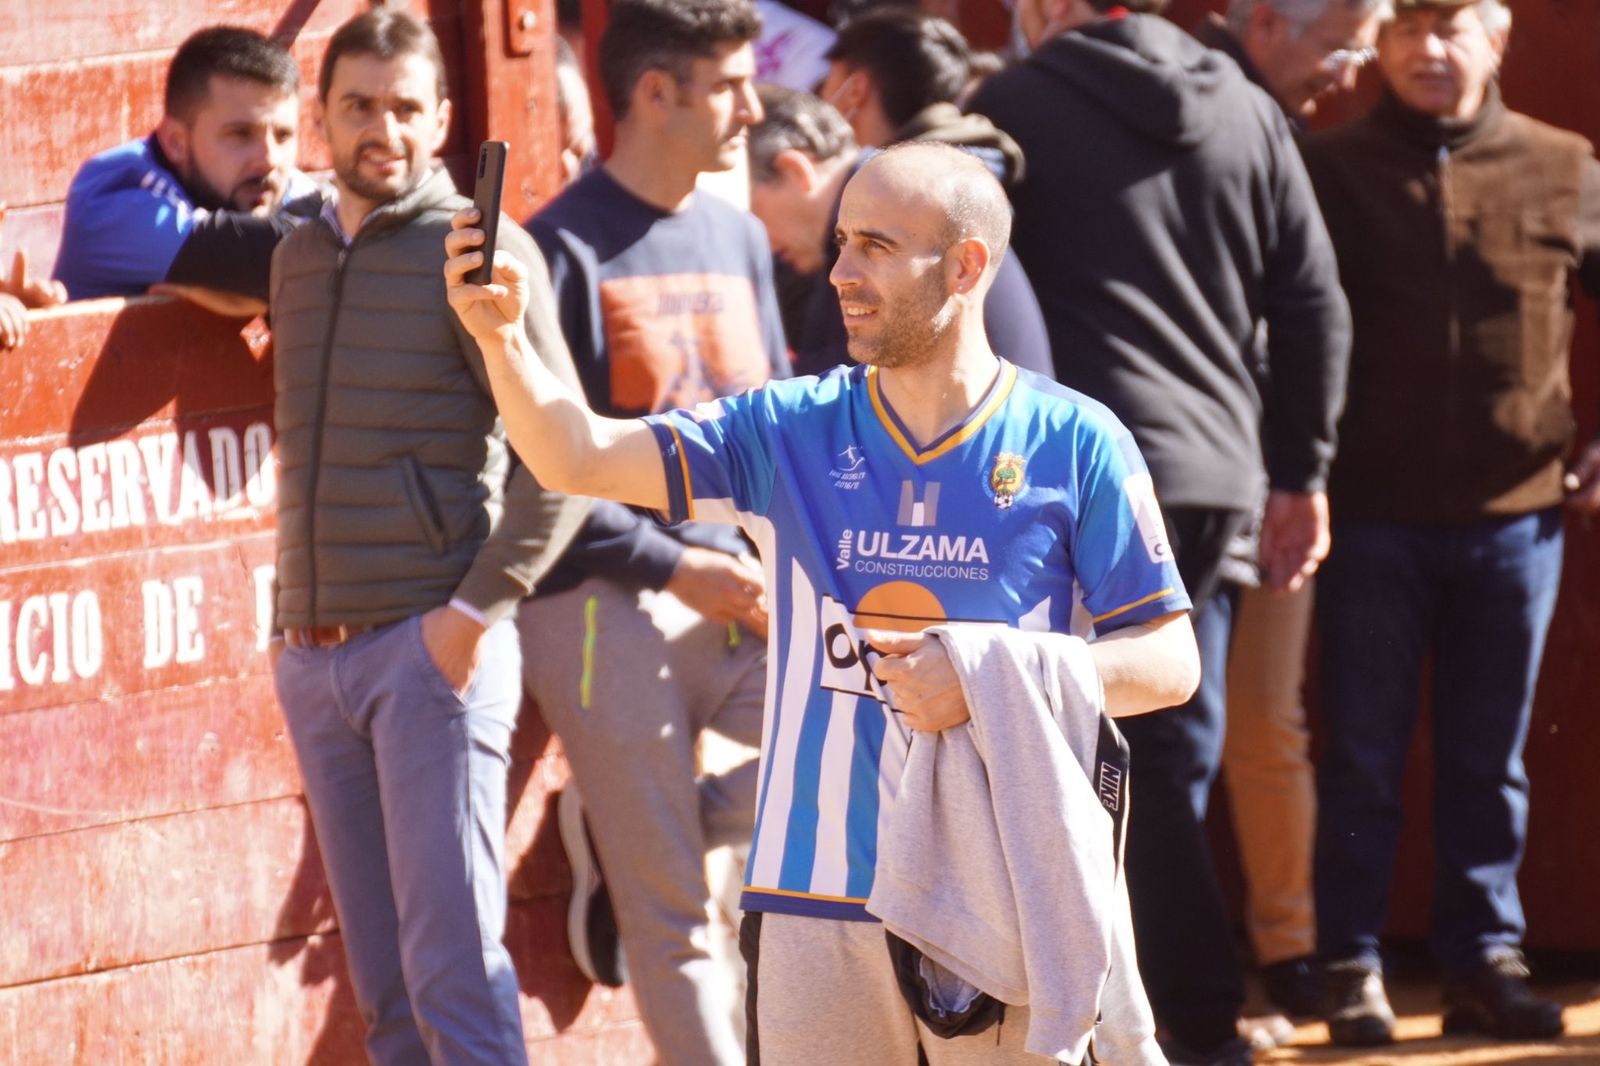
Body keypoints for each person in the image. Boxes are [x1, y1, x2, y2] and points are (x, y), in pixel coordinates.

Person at [447, 141, 1201, 1066]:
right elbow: (579, 458)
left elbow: (1169, 663)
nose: (840, 272)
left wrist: (988, 675)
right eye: (841, 241)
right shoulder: (787, 426)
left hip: (1002, 894)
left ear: (966, 266)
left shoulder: (1077, 440)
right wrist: (500, 340)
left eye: (877, 246)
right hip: (812, 896)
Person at [967, 1, 1351, 1062]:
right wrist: (1298, 470)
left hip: (1077, 472)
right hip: (1218, 469)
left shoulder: (1008, 106)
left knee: (1096, 753)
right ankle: (1176, 1014)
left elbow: (968, 283)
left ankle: (1183, 1019)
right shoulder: (1247, 106)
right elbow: (1315, 299)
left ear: (1045, 12)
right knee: (1170, 744)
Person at [267, 10, 588, 1065]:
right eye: (358, 105)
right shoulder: (299, 257)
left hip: (429, 652)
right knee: (388, 999)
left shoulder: (481, 253)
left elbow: (565, 462)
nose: (383, 130)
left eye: (406, 108)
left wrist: (468, 617)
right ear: (317, 120)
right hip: (316, 660)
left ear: (443, 119)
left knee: (453, 977)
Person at [1300, 0, 1600, 1045]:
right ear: (1375, 44)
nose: (1430, 50)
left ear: (1498, 38)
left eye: (1453, 25)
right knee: (1362, 758)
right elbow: (1282, 320)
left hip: (1515, 522)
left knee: (1489, 756)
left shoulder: (1565, 163)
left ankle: (1484, 960)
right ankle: (1349, 966)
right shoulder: (1327, 169)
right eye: (1407, 27)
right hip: (1366, 521)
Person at [519, 0, 786, 1061]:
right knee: (674, 908)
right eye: (729, 85)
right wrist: (679, 569)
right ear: (655, 94)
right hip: (599, 603)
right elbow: (542, 477)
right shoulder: (554, 248)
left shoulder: (739, 235)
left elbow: (774, 429)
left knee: (873, 745)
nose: (754, 108)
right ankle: (642, 836)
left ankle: (625, 822)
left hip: (739, 591)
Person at [1185, 0, 1387, 1027]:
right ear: (1263, 20)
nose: (1351, 70)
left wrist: (1298, 469)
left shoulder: (1292, 134)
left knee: (1266, 721)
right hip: (1177, 478)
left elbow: (1314, 313)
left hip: (1275, 477)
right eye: (1339, 42)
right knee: (1171, 725)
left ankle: (1290, 946)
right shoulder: (1185, 107)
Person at [749, 85, 1051, 378]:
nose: (841, 275)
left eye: (750, 207)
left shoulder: (903, 202)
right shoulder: (873, 213)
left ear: (795, 170)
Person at [53, 25, 315, 301]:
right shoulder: (114, 194)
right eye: (240, 134)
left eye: (283, 136)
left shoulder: (267, 181)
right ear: (176, 142)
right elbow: (263, 254)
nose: (269, 160)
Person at [1194, 0, 1385, 126]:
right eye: (1337, 51)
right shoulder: (1201, 124)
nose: (1345, 80)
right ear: (1266, 24)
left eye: (1359, 57)